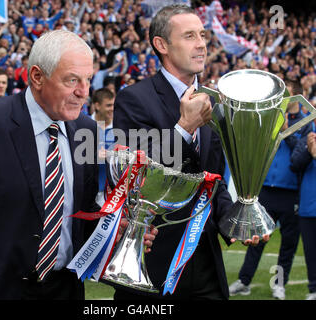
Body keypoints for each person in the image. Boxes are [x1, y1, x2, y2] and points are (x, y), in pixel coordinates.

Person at [0, 30, 155, 300]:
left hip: (64, 290)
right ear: (37, 77)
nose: (84, 92)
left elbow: (80, 214)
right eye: (72, 80)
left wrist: (115, 233)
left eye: (88, 79)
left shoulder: (85, 129)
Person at [113, 4, 266, 300]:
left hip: (206, 261)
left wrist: (236, 220)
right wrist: (183, 128)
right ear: (162, 45)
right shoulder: (134, 99)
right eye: (189, 36)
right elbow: (138, 178)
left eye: (203, 35)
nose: (201, 44)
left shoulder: (216, 101)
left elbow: (214, 180)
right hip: (153, 262)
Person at [229, 81, 312, 300]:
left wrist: (288, 132)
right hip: (265, 188)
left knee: (288, 243)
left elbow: (301, 156)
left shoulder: (306, 122)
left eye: (284, 95)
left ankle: (279, 284)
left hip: (291, 191)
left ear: (295, 98)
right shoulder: (269, 117)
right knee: (256, 238)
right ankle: (244, 281)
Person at [290, 123, 316, 300]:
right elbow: (294, 163)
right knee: (311, 251)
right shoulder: (309, 133)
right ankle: (314, 288)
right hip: (308, 205)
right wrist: (309, 151)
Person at [90, 88, 115, 207]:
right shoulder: (82, 124)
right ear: (97, 106)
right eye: (108, 105)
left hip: (111, 194)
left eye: (113, 105)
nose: (112, 109)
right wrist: (93, 156)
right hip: (86, 190)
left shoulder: (119, 127)